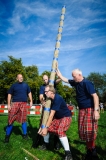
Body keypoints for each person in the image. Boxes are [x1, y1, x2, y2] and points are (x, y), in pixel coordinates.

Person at [56, 68, 100, 160]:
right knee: (84, 131)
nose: (73, 77)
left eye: (74, 76)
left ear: (79, 75)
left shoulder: (87, 83)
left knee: (89, 131)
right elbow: (66, 80)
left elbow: (95, 96)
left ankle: (93, 152)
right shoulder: (76, 82)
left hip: (90, 109)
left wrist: (96, 110)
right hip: (82, 110)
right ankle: (90, 151)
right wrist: (60, 75)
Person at [39, 85, 73, 160]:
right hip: (58, 118)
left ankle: (68, 154)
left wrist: (46, 127)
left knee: (60, 131)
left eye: (46, 91)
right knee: (45, 128)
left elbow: (51, 115)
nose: (45, 93)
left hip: (65, 117)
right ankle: (46, 144)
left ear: (52, 92)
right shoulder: (50, 99)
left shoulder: (57, 98)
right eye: (44, 91)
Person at [4, 74, 33, 143]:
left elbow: (29, 93)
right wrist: (8, 104)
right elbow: (9, 94)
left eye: (22, 77)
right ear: (17, 78)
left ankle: (25, 134)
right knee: (11, 119)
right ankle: (7, 136)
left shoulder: (26, 85)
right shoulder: (13, 85)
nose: (21, 78)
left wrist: (31, 100)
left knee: (23, 119)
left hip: (23, 103)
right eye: (19, 77)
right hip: (15, 103)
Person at [38, 74, 61, 150]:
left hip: (55, 106)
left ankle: (56, 142)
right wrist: (42, 101)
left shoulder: (52, 83)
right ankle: (46, 143)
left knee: (56, 125)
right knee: (44, 123)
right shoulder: (42, 87)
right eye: (44, 80)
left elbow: (58, 80)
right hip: (47, 108)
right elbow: (41, 95)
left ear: (49, 78)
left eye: (46, 79)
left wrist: (59, 76)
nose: (45, 81)